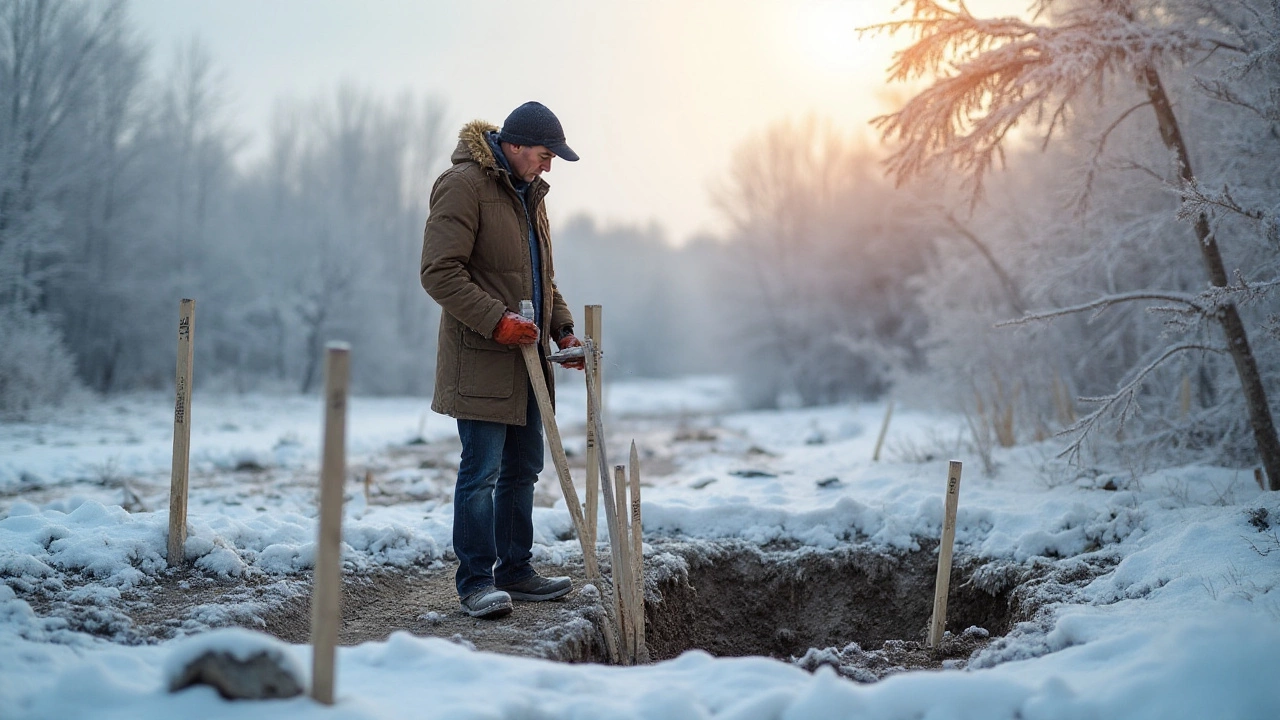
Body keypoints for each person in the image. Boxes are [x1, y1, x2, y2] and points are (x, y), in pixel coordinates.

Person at [420, 101, 586, 619]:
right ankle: (475, 583)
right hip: (484, 361)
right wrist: (497, 321)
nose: (548, 166)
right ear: (514, 146)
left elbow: (540, 279)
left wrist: (562, 329)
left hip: (529, 362)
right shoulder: (463, 185)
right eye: (543, 154)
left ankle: (516, 570)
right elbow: (439, 272)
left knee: (523, 469)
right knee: (482, 473)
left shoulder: (531, 195)